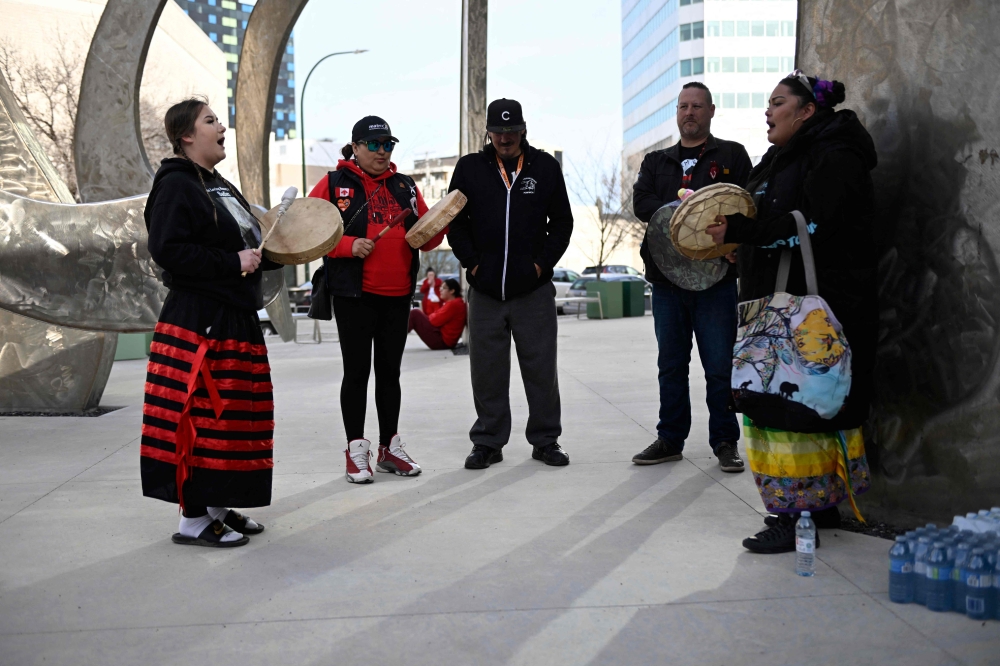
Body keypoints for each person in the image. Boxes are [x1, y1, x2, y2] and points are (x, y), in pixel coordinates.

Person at [705, 71, 877, 552]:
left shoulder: (835, 156)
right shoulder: (780, 159)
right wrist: (741, 243)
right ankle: (814, 508)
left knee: (792, 405)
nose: (768, 111)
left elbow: (817, 225)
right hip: (777, 307)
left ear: (806, 111)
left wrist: (745, 232)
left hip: (813, 314)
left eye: (778, 102)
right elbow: (769, 222)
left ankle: (793, 515)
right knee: (784, 404)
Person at [143, 98, 280, 548]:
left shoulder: (217, 184)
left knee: (234, 421)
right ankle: (194, 519)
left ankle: (218, 504)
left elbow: (248, 238)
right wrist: (230, 261)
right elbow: (167, 250)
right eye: (210, 121)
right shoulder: (177, 185)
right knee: (201, 417)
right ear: (186, 136)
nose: (222, 127)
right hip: (199, 322)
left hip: (232, 317)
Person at [308, 115, 446, 484]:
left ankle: (389, 448)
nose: (382, 151)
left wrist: (444, 219)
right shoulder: (334, 183)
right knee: (356, 373)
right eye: (374, 144)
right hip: (354, 295)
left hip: (398, 296)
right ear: (355, 147)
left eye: (388, 145)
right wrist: (348, 245)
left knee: (390, 374)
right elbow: (306, 232)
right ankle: (356, 450)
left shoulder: (404, 185)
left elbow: (426, 237)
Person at [631, 82, 753, 473]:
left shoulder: (731, 154)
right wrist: (684, 207)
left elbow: (749, 202)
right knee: (671, 364)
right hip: (667, 282)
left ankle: (725, 441)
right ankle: (670, 438)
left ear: (711, 111)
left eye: (697, 106)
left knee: (719, 366)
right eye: (683, 106)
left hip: (716, 281)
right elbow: (641, 204)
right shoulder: (657, 162)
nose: (689, 113)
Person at [447, 98, 573, 470]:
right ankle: (488, 441)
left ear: (523, 130)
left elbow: (562, 224)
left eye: (512, 131)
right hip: (485, 291)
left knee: (541, 368)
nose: (505, 138)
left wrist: (539, 266)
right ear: (488, 132)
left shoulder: (545, 167)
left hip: (532, 291)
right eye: (498, 131)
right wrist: (472, 265)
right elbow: (455, 222)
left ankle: (546, 440)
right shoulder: (470, 168)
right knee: (486, 371)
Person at [408, 278, 467, 350]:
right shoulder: (453, 303)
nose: (440, 289)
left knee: (415, 314)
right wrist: (432, 316)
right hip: (441, 338)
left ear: (452, 291)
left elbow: (434, 321)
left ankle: (395, 339)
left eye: (444, 288)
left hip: (443, 342)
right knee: (415, 313)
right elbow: (434, 316)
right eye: (441, 287)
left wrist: (432, 316)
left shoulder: (454, 304)